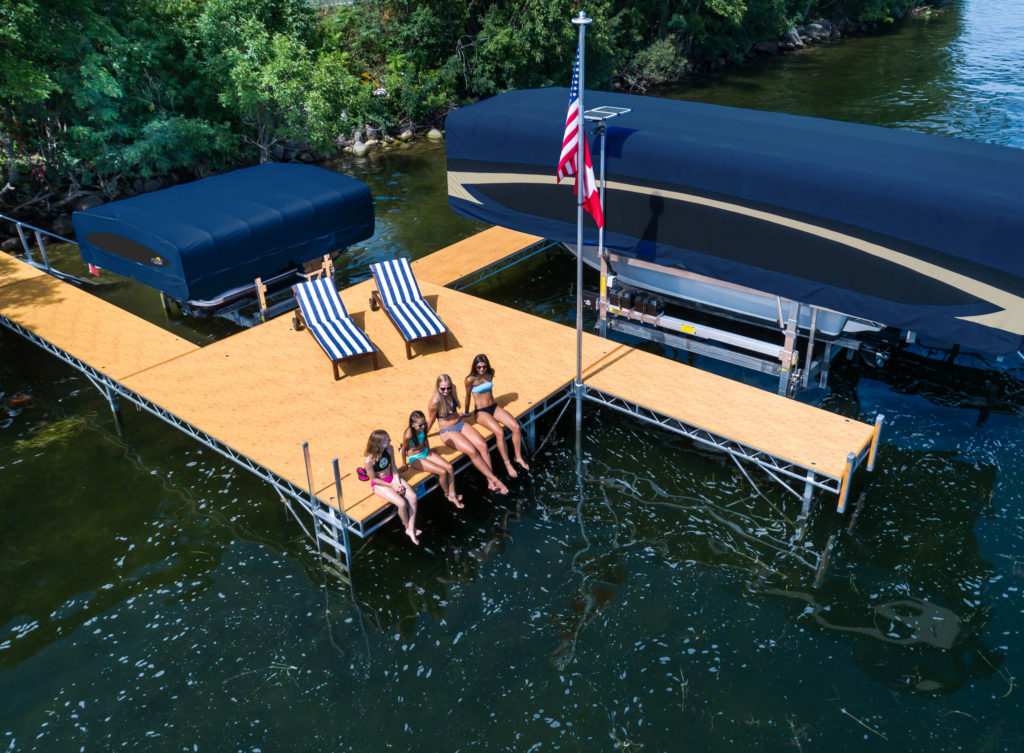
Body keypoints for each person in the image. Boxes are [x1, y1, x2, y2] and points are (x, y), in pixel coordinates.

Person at [426, 374, 509, 495]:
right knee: (472, 451)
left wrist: (465, 412)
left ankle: (490, 480)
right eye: (442, 389)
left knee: (483, 446)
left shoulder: (452, 391)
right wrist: (420, 438)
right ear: (437, 387)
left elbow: (458, 406)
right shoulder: (435, 401)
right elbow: (431, 420)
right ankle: (495, 480)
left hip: (460, 423)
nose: (446, 391)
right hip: (447, 431)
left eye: (448, 388)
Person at [463, 353, 530, 478]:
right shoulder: (470, 379)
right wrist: (467, 412)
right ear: (474, 367)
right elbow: (467, 396)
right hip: (481, 411)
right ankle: (507, 464)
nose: (482, 369)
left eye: (484, 366)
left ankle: (518, 457)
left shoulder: (490, 373)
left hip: (494, 406)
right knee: (499, 432)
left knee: (515, 426)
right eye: (479, 367)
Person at [364, 429, 421, 545]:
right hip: (379, 483)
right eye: (386, 440)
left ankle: (411, 528)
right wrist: (392, 486)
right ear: (379, 443)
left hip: (391, 477)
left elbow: (394, 466)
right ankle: (407, 526)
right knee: (402, 504)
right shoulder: (369, 461)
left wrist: (397, 481)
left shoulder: (389, 449)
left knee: (413, 497)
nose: (390, 440)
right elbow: (373, 479)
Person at [401, 410, 464, 509]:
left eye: (424, 423)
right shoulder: (408, 435)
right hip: (415, 458)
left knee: (449, 467)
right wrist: (404, 464)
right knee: (442, 472)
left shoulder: (423, 428)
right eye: (420, 425)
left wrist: (429, 450)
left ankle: (453, 493)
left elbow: (425, 438)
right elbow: (403, 449)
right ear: (413, 425)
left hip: (425, 452)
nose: (423, 426)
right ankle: (448, 495)